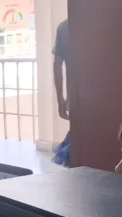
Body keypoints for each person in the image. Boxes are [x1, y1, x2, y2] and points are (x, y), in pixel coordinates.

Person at [51, 19, 72, 167]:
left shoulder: (65, 27)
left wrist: (61, 100)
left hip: (76, 97)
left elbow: (57, 65)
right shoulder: (100, 21)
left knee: (78, 143)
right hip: (103, 94)